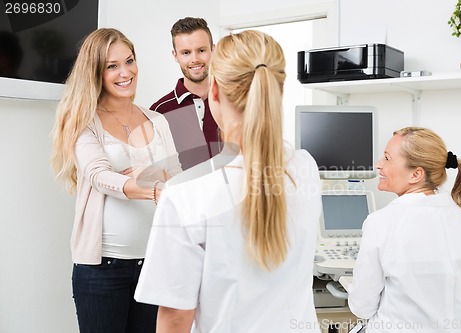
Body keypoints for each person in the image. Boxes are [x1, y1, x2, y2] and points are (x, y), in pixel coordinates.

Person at [135, 30, 323, 333]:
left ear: (215, 92)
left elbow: (174, 319)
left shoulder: (184, 197)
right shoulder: (305, 168)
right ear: (279, 91)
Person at [50, 28, 182, 333]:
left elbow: (177, 177)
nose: (125, 72)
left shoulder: (158, 120)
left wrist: (149, 183)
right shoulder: (84, 121)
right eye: (112, 66)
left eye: (129, 61)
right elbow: (98, 175)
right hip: (102, 269)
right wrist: (153, 188)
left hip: (155, 263)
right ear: (96, 72)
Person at [348, 127, 461, 332]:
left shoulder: (381, 222)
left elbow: (362, 307)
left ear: (416, 174)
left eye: (387, 158)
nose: (378, 165)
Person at [150, 17, 221, 170]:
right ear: (175, 56)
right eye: (186, 53)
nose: (195, 59)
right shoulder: (159, 111)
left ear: (213, 50)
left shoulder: (233, 100)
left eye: (201, 50)